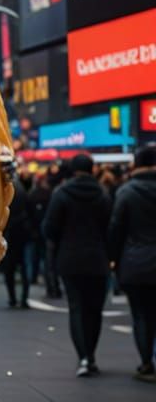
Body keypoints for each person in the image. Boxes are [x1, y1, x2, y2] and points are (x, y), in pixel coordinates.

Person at [43, 152, 112, 377]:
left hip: (70, 257)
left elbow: (50, 228)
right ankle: (91, 353)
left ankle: (83, 356)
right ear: (92, 169)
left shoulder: (61, 193)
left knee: (77, 307)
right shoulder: (102, 194)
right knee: (95, 309)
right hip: (97, 258)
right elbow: (110, 227)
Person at [109, 146, 156, 382]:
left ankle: (147, 362)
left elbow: (116, 229)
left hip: (135, 263)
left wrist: (114, 260)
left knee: (141, 315)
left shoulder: (126, 192)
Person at [2, 175, 32, 308]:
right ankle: (24, 298)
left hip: (9, 233)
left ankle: (12, 298)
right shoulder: (22, 190)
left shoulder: (7, 189)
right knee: (24, 267)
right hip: (22, 233)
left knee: (10, 269)